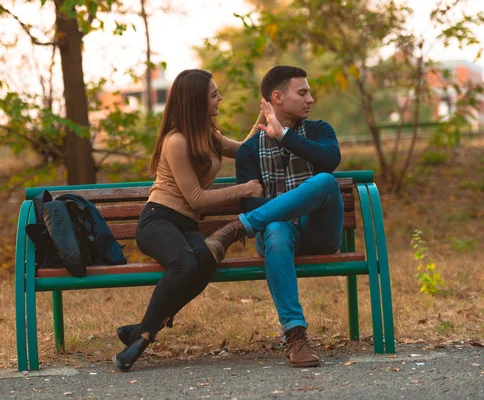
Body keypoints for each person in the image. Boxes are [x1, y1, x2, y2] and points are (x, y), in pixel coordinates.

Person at [112, 69, 264, 372]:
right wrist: (245, 189)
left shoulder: (208, 136)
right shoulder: (176, 141)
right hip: (157, 221)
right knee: (186, 263)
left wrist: (260, 125)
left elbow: (246, 151)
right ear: (196, 101)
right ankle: (144, 338)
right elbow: (196, 198)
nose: (220, 98)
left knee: (205, 260)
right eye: (213, 94)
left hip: (185, 226)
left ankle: (142, 329)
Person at [214, 65, 344, 367]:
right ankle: (296, 336)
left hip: (319, 232)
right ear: (278, 97)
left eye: (309, 92)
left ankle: (238, 230)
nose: (310, 98)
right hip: (278, 239)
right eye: (303, 92)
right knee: (273, 227)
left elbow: (330, 160)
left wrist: (284, 136)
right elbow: (251, 207)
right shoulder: (249, 151)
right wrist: (267, 214)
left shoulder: (318, 131)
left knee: (325, 181)